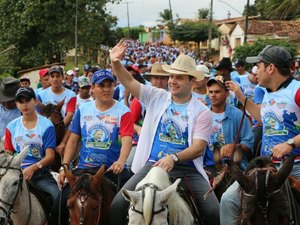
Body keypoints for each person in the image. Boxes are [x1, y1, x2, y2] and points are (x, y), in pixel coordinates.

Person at [109, 40, 220, 225]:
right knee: (117, 206)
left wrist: (174, 158)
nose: (172, 81)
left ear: (193, 81)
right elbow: (128, 80)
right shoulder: (157, 96)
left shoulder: (203, 112)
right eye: (171, 76)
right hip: (153, 165)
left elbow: (198, 148)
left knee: (214, 211)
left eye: (179, 77)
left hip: (187, 169)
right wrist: (115, 62)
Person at [220, 45, 300, 225]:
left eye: (259, 66)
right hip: (266, 169)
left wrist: (290, 144)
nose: (255, 71)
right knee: (228, 200)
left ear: (271, 68)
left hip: (295, 165)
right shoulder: (268, 92)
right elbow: (261, 117)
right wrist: (239, 95)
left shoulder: (297, 90)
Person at [51, 69, 134, 225]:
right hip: (83, 169)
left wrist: (121, 161)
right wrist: (64, 167)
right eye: (101, 85)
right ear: (93, 88)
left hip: (111, 171)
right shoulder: (82, 110)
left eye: (110, 85)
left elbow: (127, 139)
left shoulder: (124, 111)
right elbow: (73, 140)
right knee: (57, 208)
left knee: (126, 209)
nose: (106, 89)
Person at [4, 87, 59, 213]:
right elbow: (8, 153)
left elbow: (50, 156)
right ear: (17, 104)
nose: (24, 104)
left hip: (41, 175)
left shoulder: (46, 125)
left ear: (35, 101)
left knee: (57, 197)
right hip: (16, 175)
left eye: (28, 100)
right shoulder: (11, 127)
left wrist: (33, 168)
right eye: (20, 101)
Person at [204, 76, 253, 186]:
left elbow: (249, 143)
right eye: (210, 92)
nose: (213, 95)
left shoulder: (237, 115)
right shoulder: (202, 114)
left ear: (226, 94)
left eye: (217, 92)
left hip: (232, 167)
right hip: (207, 167)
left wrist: (234, 146)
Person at [0, 77, 21, 143]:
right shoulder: (1, 108)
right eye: (6, 100)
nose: (7, 102)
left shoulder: (22, 111)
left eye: (11, 101)